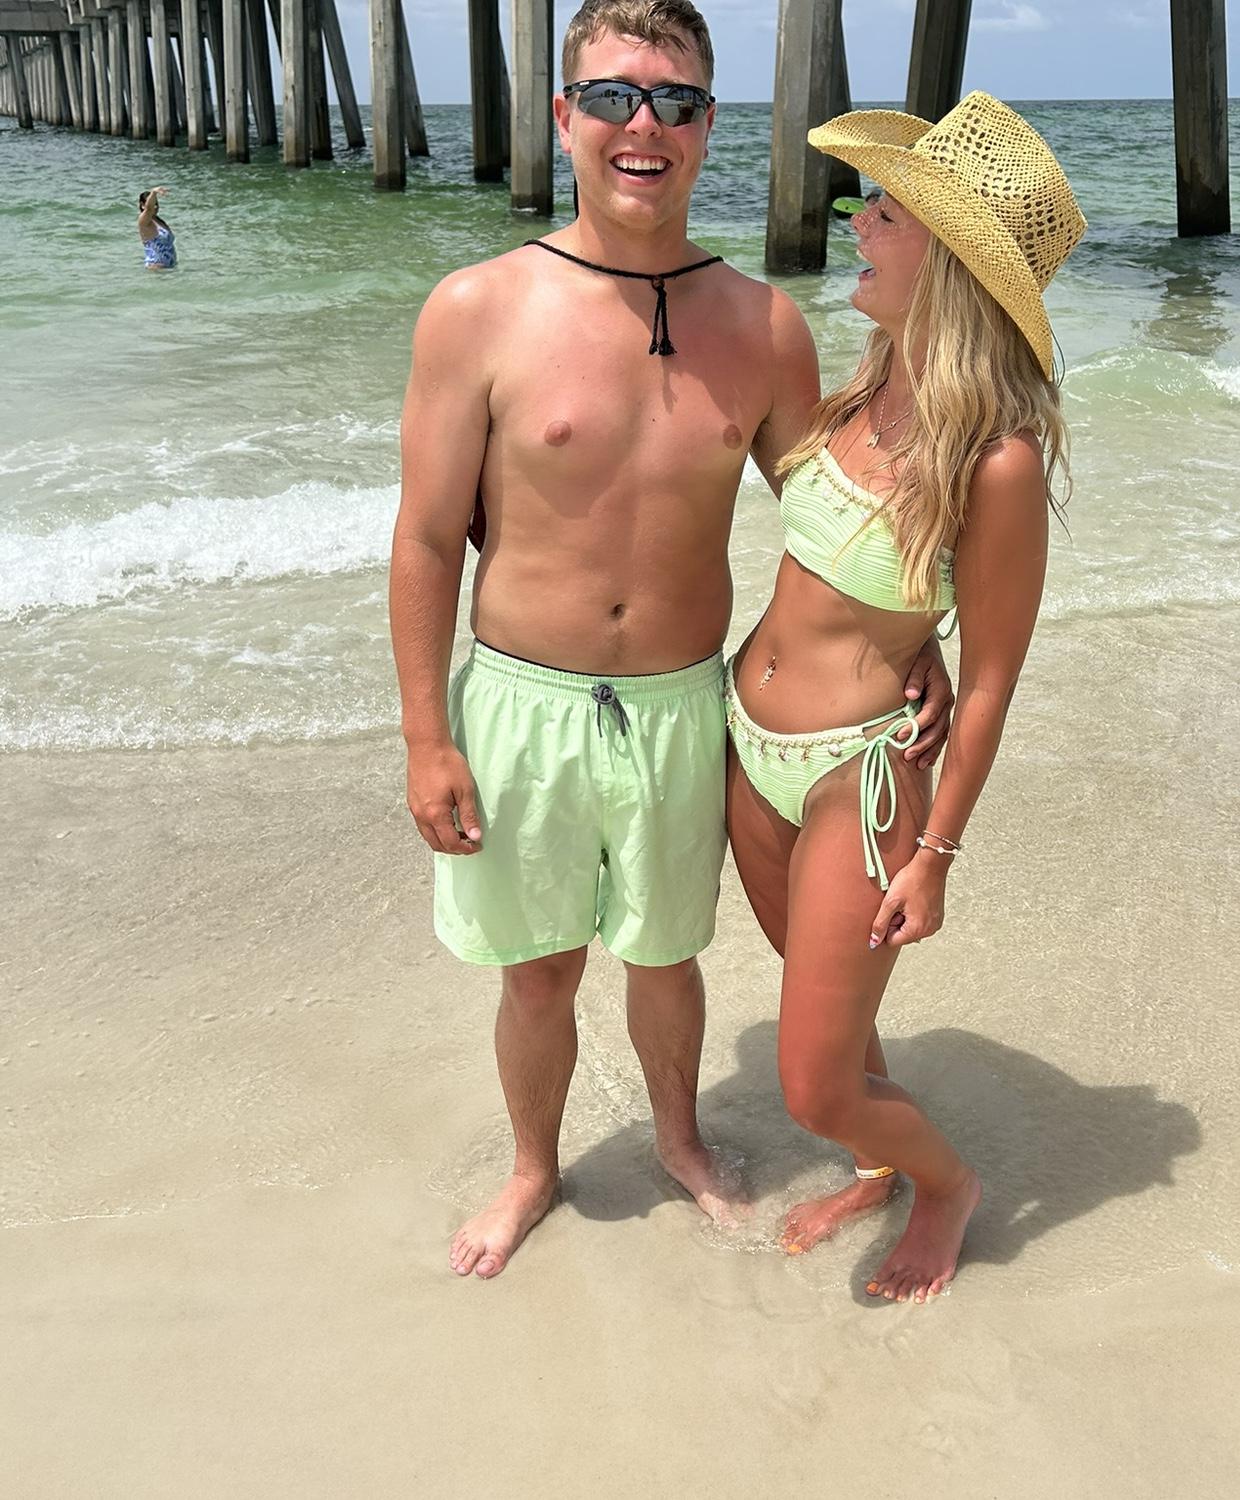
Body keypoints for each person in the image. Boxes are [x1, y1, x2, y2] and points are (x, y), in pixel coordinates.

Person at [388, 0, 952, 1282]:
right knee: (537, 972)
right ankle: (533, 1168)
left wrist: (919, 636)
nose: (643, 125)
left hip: (683, 705)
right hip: (522, 702)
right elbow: (424, 539)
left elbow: (837, 516)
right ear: (564, 117)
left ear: (707, 126)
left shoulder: (763, 326)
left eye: (676, 102)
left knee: (665, 955)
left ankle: (680, 1138)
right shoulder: (477, 308)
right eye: (613, 97)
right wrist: (427, 736)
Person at [725, 93, 1086, 1303]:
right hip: (747, 748)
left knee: (814, 1081)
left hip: (861, 778)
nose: (856, 224)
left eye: (885, 212)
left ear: (954, 265)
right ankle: (879, 1167)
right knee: (831, 1019)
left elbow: (992, 683)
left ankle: (946, 1186)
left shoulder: (999, 461)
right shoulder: (860, 391)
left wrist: (936, 856)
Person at [137, 187, 176, 271]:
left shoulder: (158, 220)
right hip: (156, 267)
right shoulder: (144, 221)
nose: (155, 207)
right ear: (142, 205)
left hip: (169, 268)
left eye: (156, 204)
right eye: (153, 204)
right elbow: (149, 209)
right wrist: (154, 192)